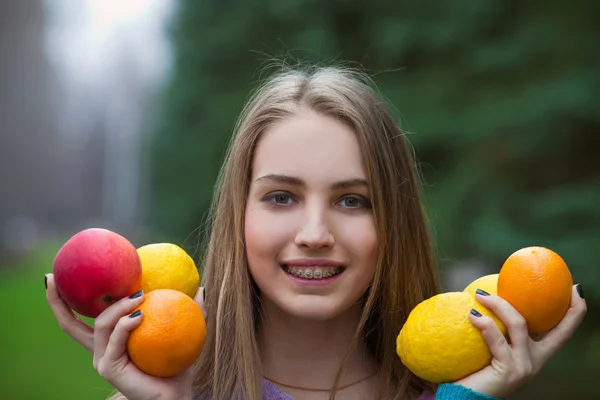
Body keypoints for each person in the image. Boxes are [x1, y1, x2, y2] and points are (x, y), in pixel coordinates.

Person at [45, 63, 587, 400]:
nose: (314, 233)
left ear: (393, 222)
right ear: (240, 215)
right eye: (282, 197)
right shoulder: (155, 398)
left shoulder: (458, 395)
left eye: (352, 200)